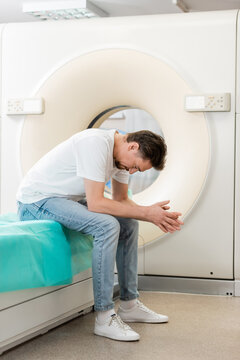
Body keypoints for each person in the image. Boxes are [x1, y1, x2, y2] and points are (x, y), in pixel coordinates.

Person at [17, 128, 184, 342]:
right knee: (107, 226)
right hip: (35, 202)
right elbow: (96, 204)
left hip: (66, 201)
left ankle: (129, 304)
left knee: (128, 224)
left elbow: (121, 200)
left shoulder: (121, 158)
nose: (132, 172)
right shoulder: (95, 143)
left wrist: (153, 214)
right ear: (133, 146)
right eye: (135, 166)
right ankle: (104, 317)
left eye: (137, 171)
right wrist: (147, 213)